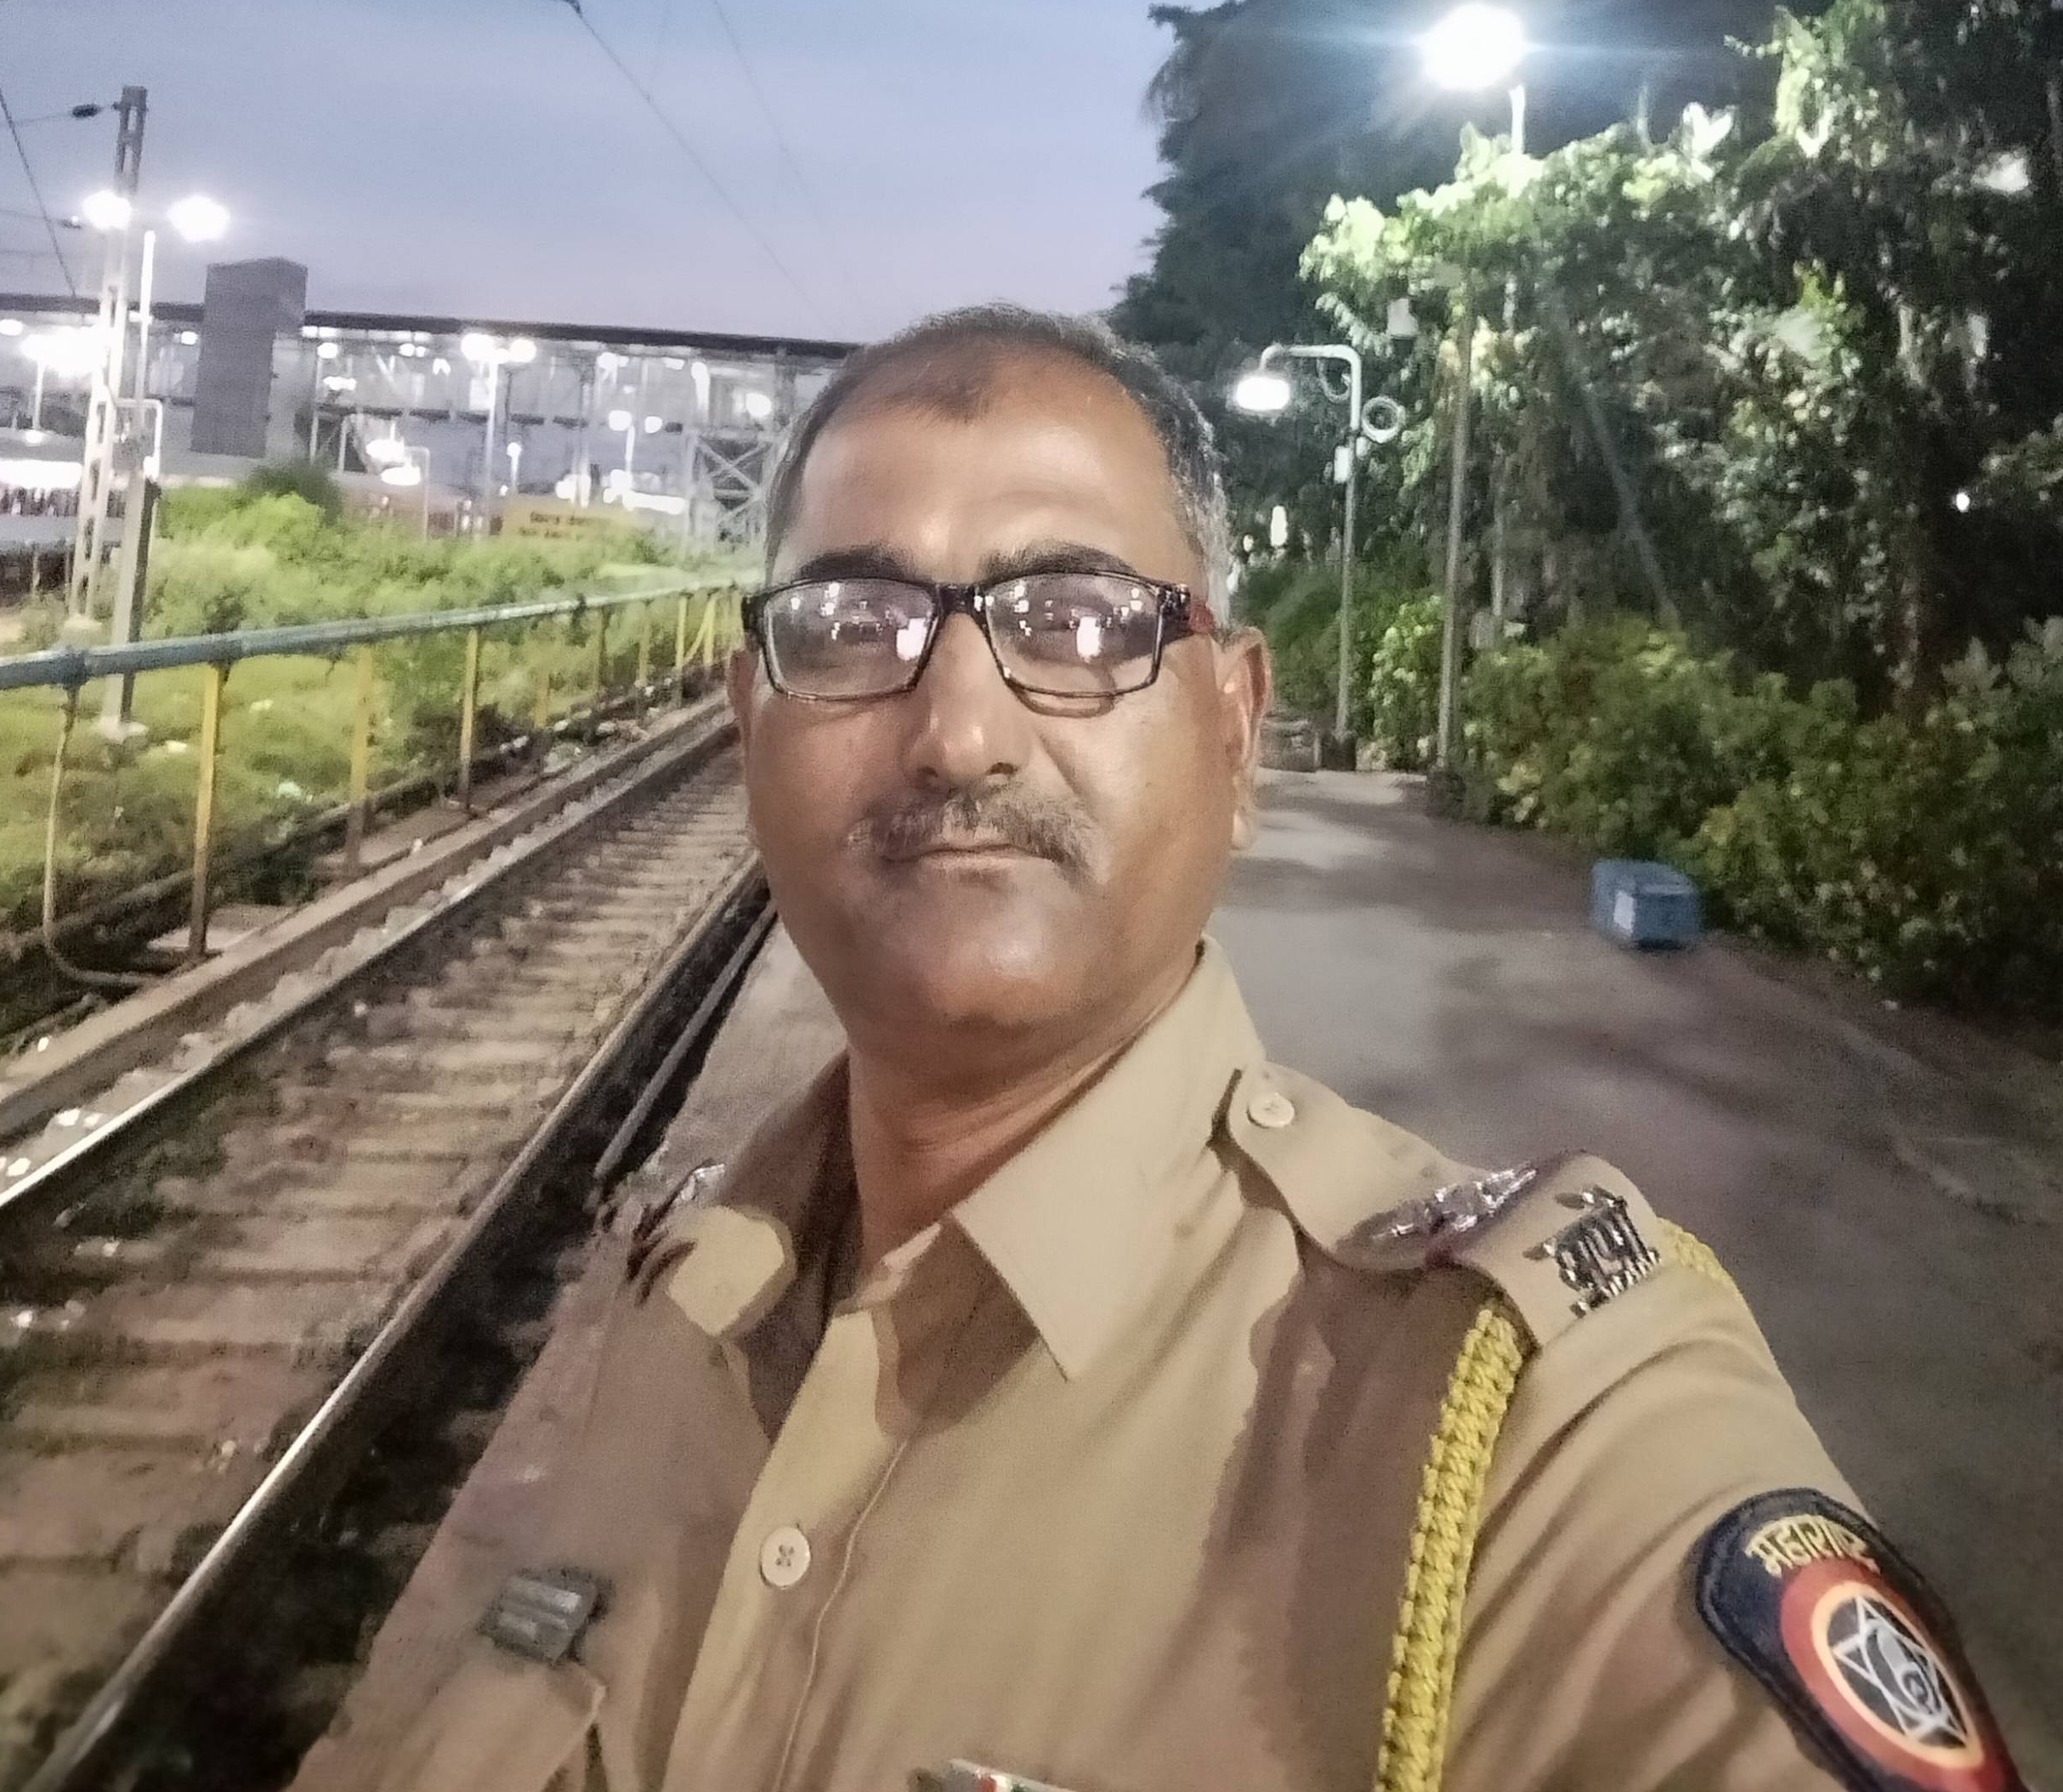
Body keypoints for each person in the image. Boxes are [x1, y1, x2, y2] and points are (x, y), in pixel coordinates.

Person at [362, 304, 2025, 1792]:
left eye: (1079, 623)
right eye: (856, 624)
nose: (959, 731)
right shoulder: (675, 1307)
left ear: (1235, 727)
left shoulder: (1525, 1432)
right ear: (752, 724)